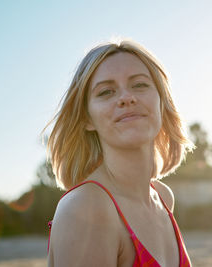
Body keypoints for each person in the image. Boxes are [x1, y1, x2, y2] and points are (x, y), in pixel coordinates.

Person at [43, 38, 193, 267]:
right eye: (106, 92)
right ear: (86, 119)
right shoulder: (86, 208)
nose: (126, 98)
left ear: (161, 101)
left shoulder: (163, 197)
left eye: (139, 85)